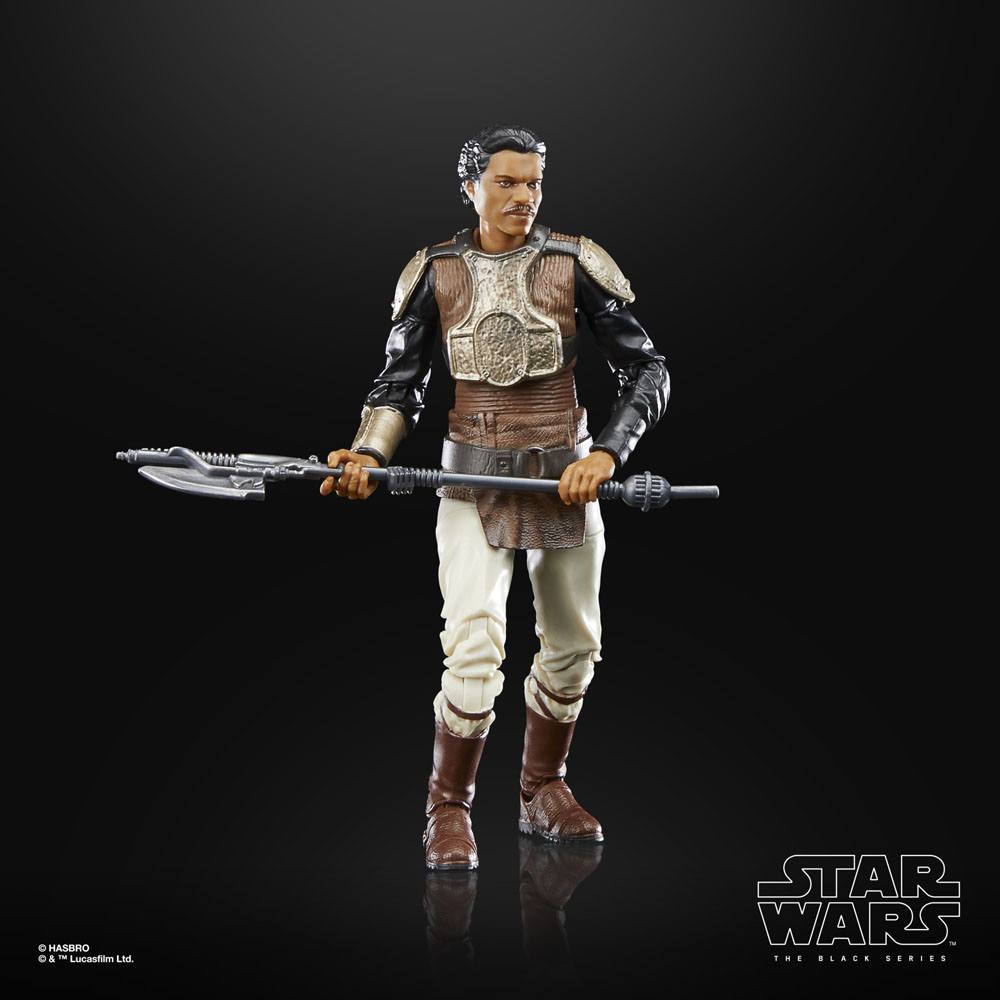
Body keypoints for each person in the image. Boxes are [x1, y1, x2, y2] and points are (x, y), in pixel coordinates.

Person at [321, 125, 668, 870]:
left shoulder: (574, 263)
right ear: (470, 187)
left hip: (565, 478)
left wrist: (606, 453)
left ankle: (543, 788)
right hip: (473, 479)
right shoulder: (436, 271)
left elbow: (648, 370)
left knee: (573, 646)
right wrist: (369, 452)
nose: (523, 196)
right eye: (505, 182)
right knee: (474, 646)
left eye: (533, 182)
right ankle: (448, 806)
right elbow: (399, 385)